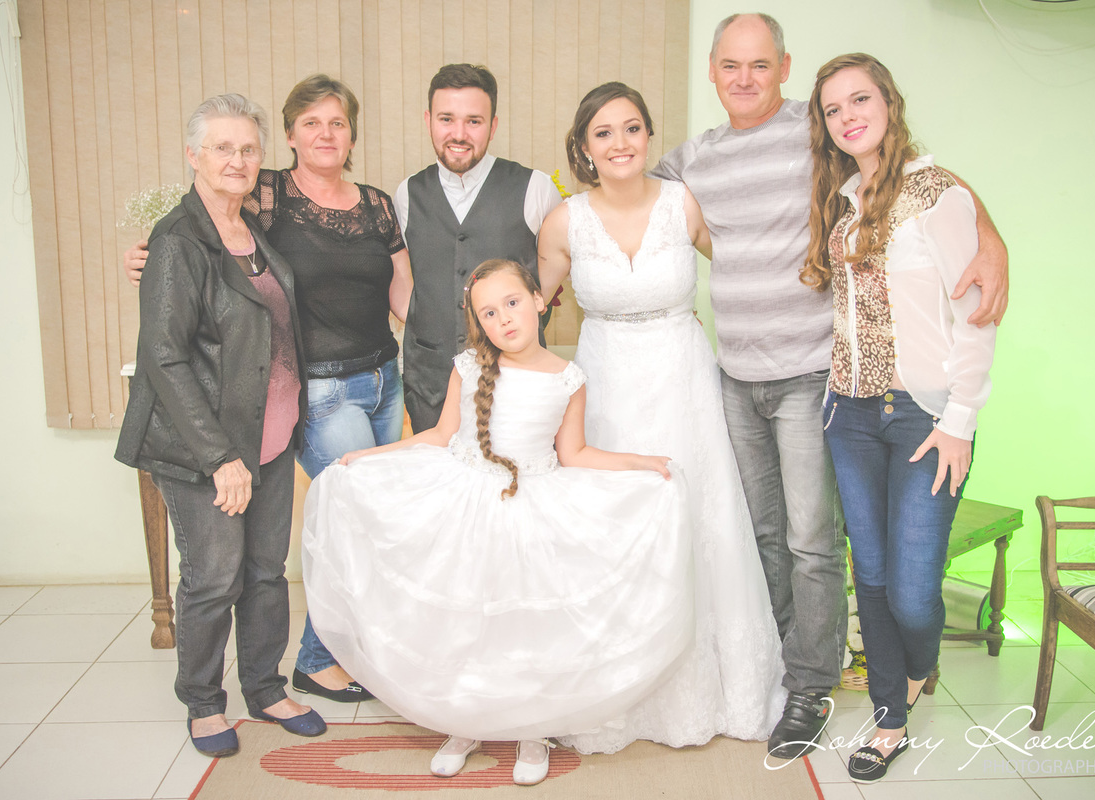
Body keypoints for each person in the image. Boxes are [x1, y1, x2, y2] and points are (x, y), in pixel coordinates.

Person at [650, 12, 1010, 758]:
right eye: (729, 66)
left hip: (817, 377)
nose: (744, 78)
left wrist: (991, 237)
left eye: (760, 64)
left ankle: (814, 686)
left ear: (784, 68)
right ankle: (790, 671)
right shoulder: (698, 158)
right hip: (738, 377)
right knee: (767, 538)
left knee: (815, 544)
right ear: (711, 72)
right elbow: (627, 186)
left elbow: (920, 179)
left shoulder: (814, 131)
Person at [301, 259, 692, 786]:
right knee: (465, 619)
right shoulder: (468, 367)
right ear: (478, 323)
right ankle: (465, 722)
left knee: (527, 625)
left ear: (538, 300)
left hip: (533, 510)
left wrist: (639, 463)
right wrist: (369, 457)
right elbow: (439, 435)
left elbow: (574, 454)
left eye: (512, 303)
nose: (504, 318)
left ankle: (534, 729)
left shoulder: (568, 379)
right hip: (463, 505)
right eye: (488, 312)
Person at [123, 75, 412, 704]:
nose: (325, 134)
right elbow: (191, 250)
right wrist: (147, 256)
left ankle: (288, 677)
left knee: (293, 557)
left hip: (340, 398)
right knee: (333, 531)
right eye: (311, 122)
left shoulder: (355, 206)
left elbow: (399, 294)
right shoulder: (254, 200)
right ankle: (272, 676)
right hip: (299, 400)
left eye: (337, 122)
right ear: (288, 136)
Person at [537, 82, 787, 754]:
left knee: (701, 516)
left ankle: (722, 688)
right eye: (603, 132)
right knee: (614, 528)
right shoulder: (563, 223)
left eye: (632, 128)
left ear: (649, 135)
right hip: (606, 388)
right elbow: (531, 311)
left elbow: (747, 268)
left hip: (684, 380)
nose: (620, 143)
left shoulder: (684, 203)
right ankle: (612, 689)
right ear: (583, 148)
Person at [115, 93, 326, 758]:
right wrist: (219, 457)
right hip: (206, 449)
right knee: (212, 577)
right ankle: (204, 703)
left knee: (265, 572)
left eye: (248, 149)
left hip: (270, 438)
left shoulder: (250, 228)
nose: (237, 159)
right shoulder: (178, 241)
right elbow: (164, 358)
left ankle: (264, 687)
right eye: (223, 148)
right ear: (194, 156)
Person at [805, 53, 996, 783]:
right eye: (833, 109)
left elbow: (976, 312)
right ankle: (890, 720)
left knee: (914, 593)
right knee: (874, 576)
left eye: (860, 99)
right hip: (850, 414)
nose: (848, 116)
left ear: (889, 102)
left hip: (924, 417)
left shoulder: (939, 193)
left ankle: (918, 667)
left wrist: (961, 420)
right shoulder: (844, 199)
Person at [394, 63, 562, 432]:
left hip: (515, 387)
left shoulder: (536, 189)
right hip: (432, 386)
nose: (459, 134)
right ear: (428, 120)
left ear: (493, 125)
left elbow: (549, 283)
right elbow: (406, 281)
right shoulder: (406, 194)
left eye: (473, 121)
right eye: (446, 119)